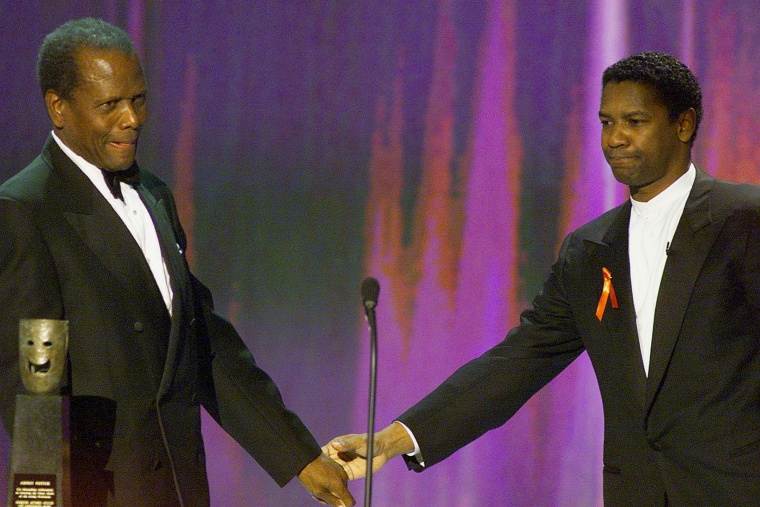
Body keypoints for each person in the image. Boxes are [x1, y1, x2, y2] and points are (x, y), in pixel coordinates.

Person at [324, 51, 760, 506]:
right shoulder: (589, 251)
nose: (615, 138)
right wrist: (392, 440)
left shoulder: (744, 220)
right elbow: (518, 362)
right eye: (606, 122)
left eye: (634, 121)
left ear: (684, 125)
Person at [0, 18, 354, 507]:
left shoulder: (154, 196)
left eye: (138, 99)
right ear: (58, 107)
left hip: (180, 490)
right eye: (110, 105)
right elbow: (30, 384)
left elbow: (201, 341)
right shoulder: (25, 210)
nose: (132, 118)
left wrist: (297, 455)